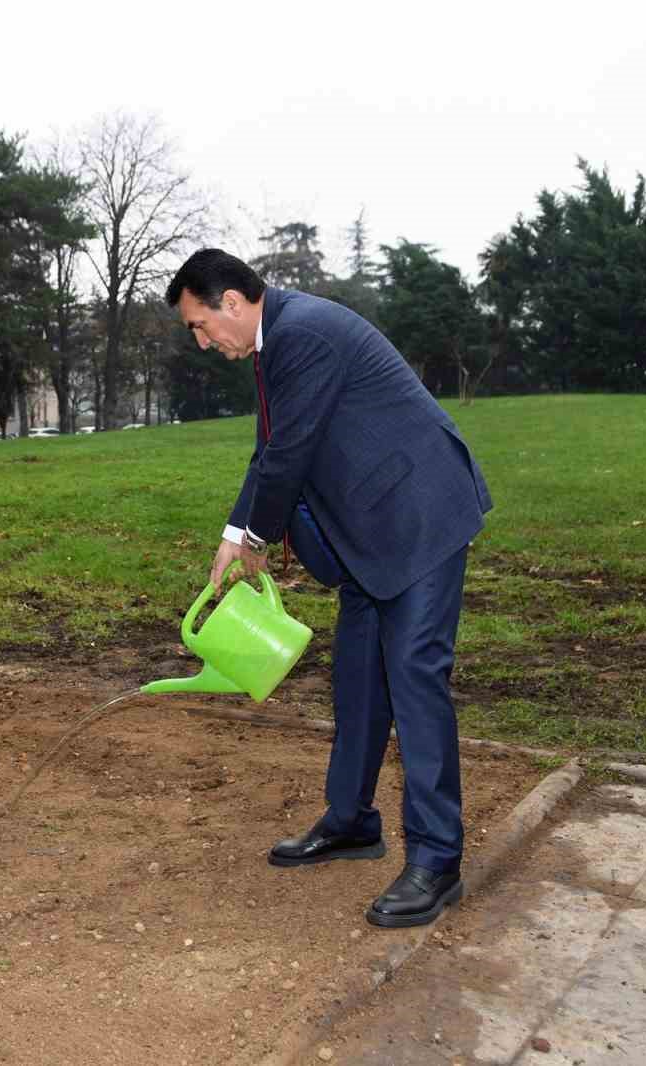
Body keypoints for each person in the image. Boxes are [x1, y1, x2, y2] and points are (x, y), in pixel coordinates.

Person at [165, 248, 492, 928]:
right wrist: (236, 531)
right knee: (358, 680)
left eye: (198, 324)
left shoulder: (302, 335)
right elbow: (272, 450)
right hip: (372, 537)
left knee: (414, 677)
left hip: (420, 518)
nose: (200, 341)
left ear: (230, 302)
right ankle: (352, 822)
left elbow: (292, 452)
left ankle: (437, 861)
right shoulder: (276, 341)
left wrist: (255, 538)